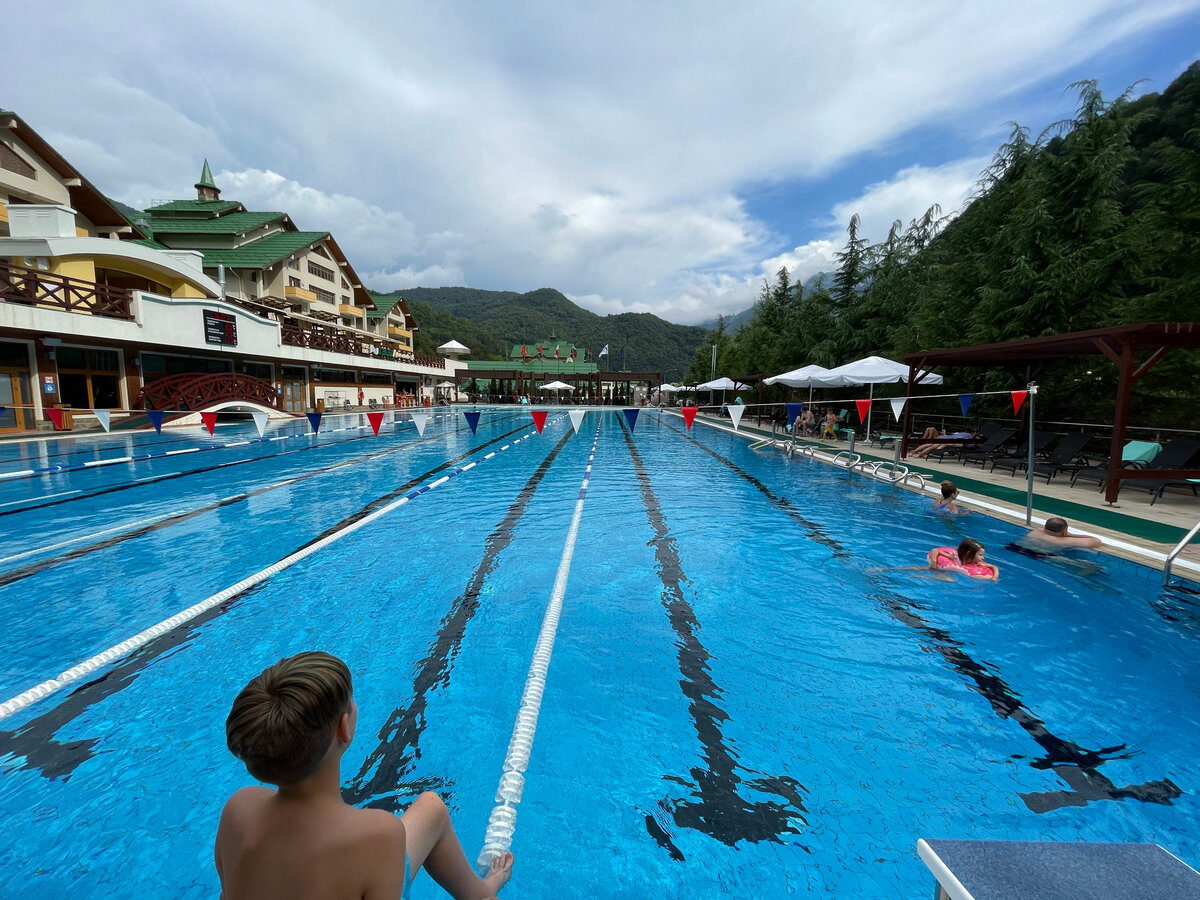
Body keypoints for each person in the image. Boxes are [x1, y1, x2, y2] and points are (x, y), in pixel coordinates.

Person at [216, 651, 514, 900]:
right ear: (344, 728)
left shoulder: (238, 809)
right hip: (369, 867)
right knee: (426, 811)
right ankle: (482, 893)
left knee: (431, 809)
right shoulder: (377, 835)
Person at [927, 538, 999, 581]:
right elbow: (935, 550)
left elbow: (994, 567)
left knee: (951, 579)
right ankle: (924, 577)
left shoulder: (978, 563)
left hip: (947, 571)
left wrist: (995, 577)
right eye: (980, 555)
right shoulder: (953, 557)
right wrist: (934, 562)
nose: (982, 558)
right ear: (969, 553)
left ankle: (922, 573)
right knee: (951, 580)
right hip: (940, 568)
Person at [1026, 516, 1103, 549]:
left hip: (1018, 549)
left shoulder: (1035, 532)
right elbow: (1096, 542)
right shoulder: (1061, 541)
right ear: (1063, 532)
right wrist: (1069, 534)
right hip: (1039, 557)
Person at [909, 428, 975, 459]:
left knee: (930, 444)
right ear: (972, 433)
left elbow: (953, 435)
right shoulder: (970, 436)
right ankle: (921, 454)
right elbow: (969, 444)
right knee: (933, 446)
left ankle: (914, 451)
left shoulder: (959, 433)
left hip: (943, 437)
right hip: (947, 439)